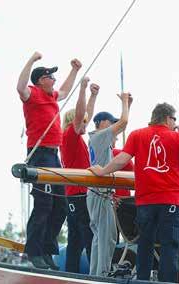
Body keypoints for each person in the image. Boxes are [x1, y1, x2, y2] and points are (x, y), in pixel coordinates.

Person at [89, 102, 179, 282]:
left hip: (145, 202)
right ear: (167, 118)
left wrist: (102, 171)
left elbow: (121, 160)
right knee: (169, 247)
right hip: (170, 201)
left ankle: (142, 280)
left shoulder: (137, 135)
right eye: (174, 119)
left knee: (145, 245)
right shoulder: (177, 138)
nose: (174, 122)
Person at [16, 51, 82, 270]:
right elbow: (20, 86)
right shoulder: (32, 94)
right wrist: (31, 60)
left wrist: (75, 70)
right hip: (40, 153)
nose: (54, 80)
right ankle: (34, 251)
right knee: (44, 203)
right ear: (40, 81)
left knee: (60, 205)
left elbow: (65, 89)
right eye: (49, 77)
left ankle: (47, 250)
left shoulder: (52, 96)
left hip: (54, 155)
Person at [87, 92, 132, 276]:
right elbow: (124, 123)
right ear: (100, 124)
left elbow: (121, 124)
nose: (113, 126)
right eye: (109, 122)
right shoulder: (99, 137)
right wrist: (125, 103)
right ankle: (102, 275)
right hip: (100, 194)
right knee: (107, 238)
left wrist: (128, 106)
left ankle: (96, 274)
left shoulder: (101, 141)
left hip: (98, 195)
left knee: (101, 238)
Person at [60, 77, 99, 273]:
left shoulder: (74, 139)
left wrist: (93, 96)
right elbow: (81, 114)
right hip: (78, 193)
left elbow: (86, 115)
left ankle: (72, 274)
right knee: (86, 235)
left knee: (76, 239)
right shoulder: (69, 136)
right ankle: (93, 274)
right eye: (81, 121)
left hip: (75, 194)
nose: (86, 124)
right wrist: (83, 89)